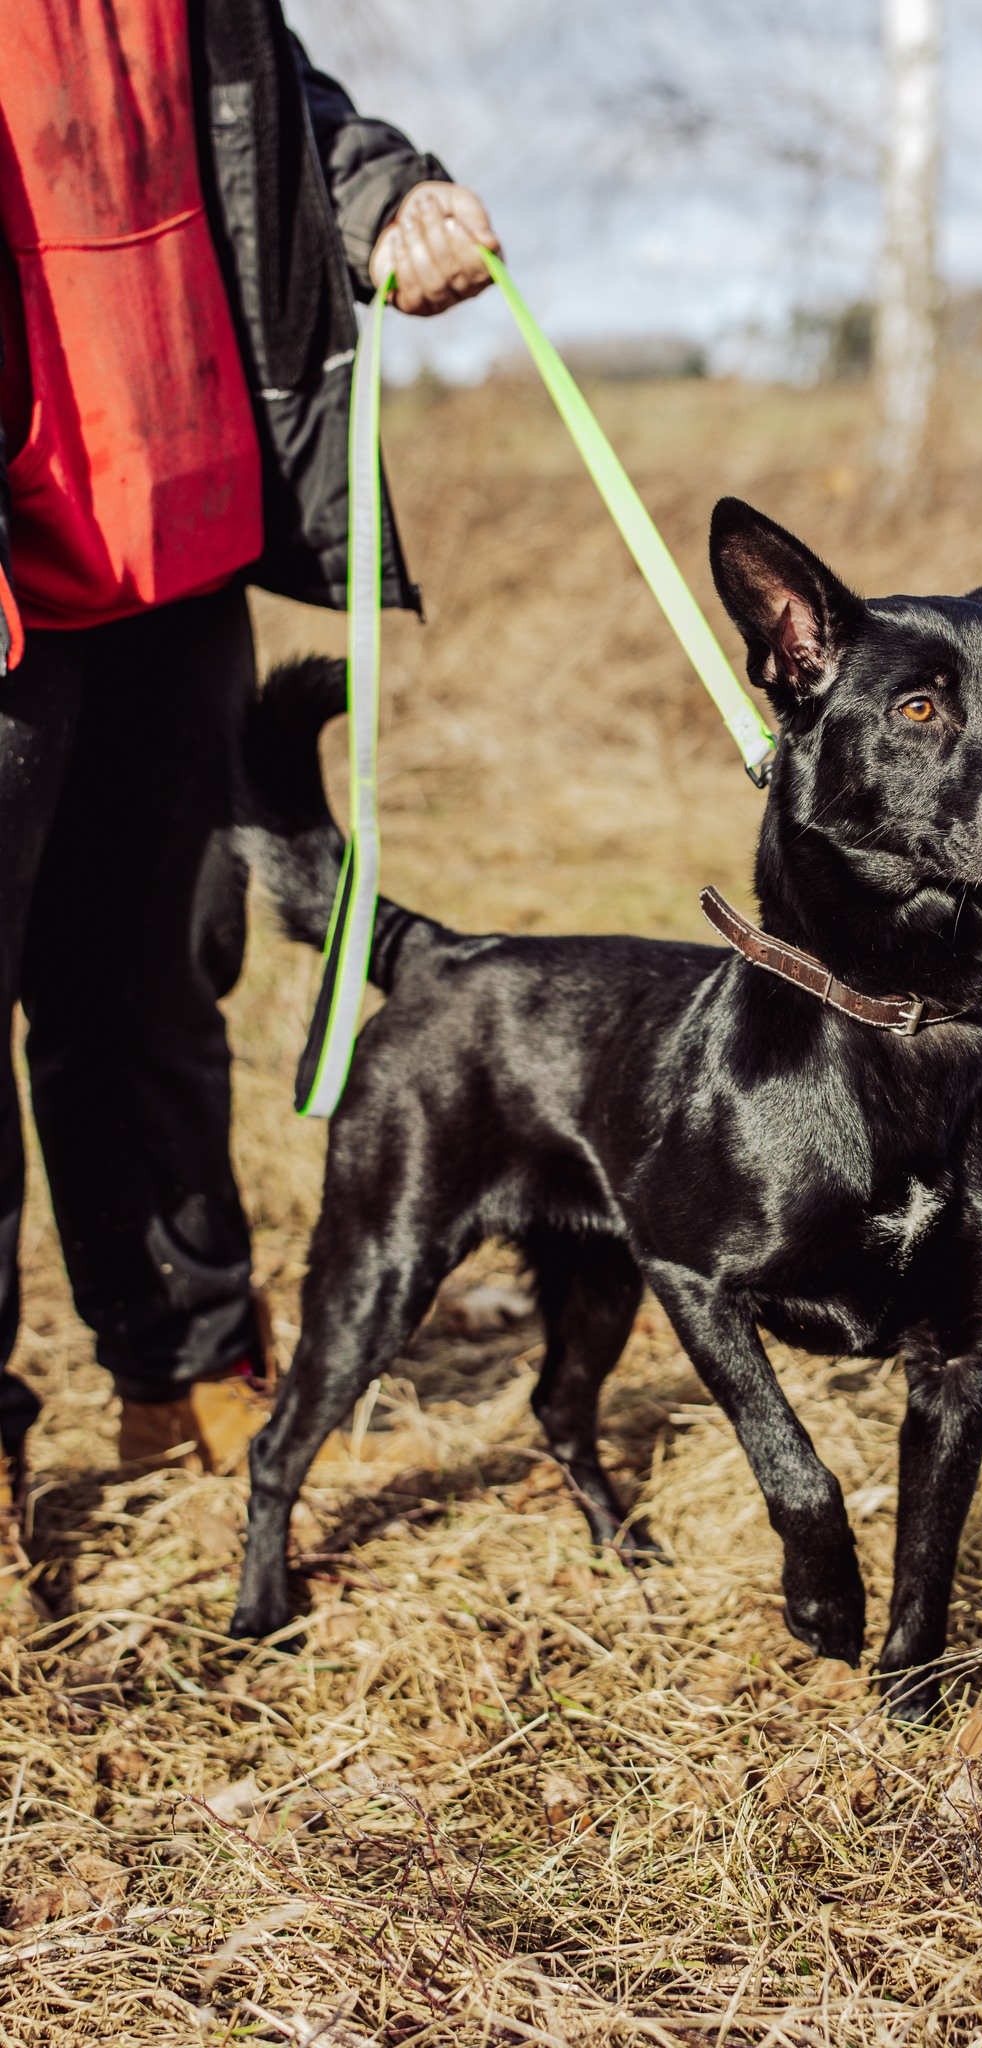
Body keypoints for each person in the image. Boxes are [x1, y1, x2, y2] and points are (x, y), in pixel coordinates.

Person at [0, 0, 501, 1602]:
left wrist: (379, 194)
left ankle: (189, 1365)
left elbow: (267, 110)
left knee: (158, 975)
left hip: (177, 530)